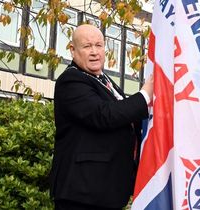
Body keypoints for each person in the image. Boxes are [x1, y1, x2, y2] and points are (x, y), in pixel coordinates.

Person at [49, 24, 153, 210]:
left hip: (104, 191)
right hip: (82, 194)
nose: (95, 52)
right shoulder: (71, 81)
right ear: (73, 50)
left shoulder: (103, 79)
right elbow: (105, 115)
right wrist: (145, 95)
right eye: (87, 46)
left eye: (99, 45)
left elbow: (124, 116)